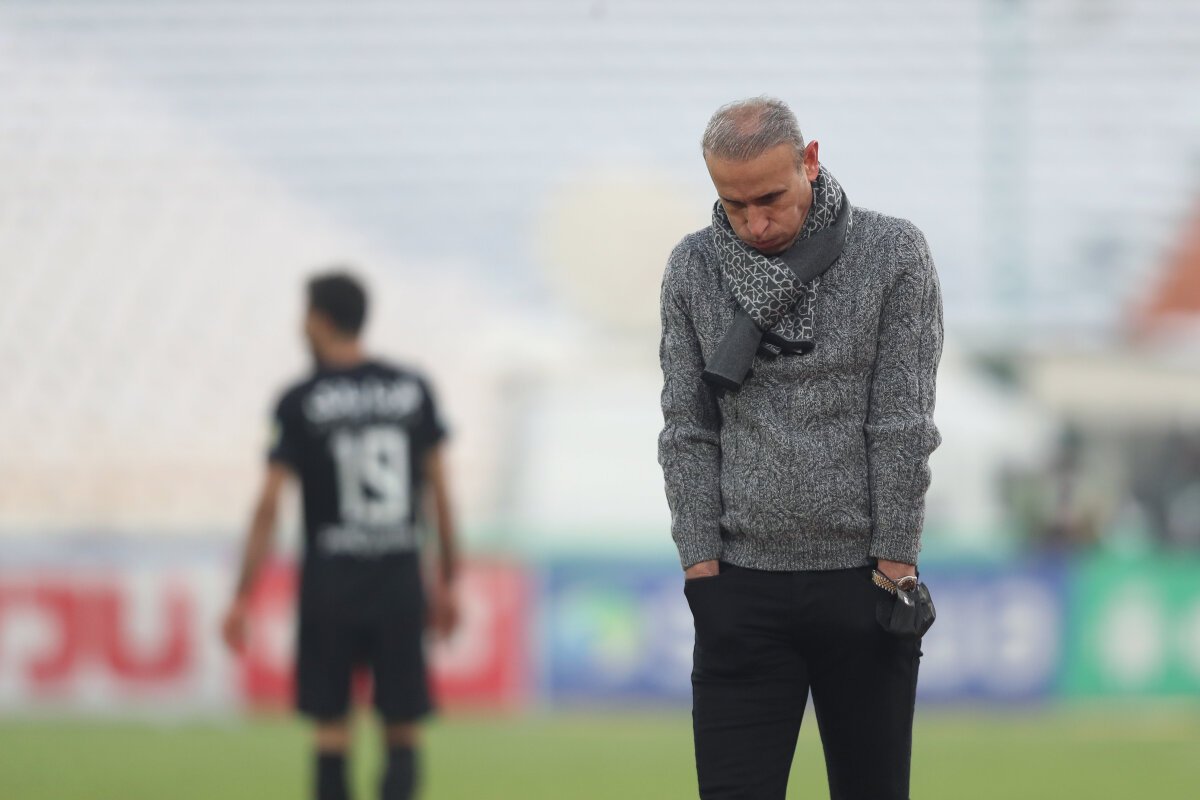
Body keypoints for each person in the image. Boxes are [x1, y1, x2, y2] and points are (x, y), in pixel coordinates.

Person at [658, 97, 943, 799]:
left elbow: (902, 422)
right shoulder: (692, 268)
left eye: (769, 199)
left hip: (863, 584)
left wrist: (894, 565)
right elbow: (687, 429)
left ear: (809, 161)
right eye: (734, 205)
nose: (755, 223)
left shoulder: (893, 253)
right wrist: (701, 572)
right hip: (739, 589)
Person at [222, 271, 460, 800]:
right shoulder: (412, 389)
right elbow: (440, 494)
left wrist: (242, 595)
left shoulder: (300, 399)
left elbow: (268, 505)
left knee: (331, 728)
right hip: (399, 582)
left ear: (320, 320)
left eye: (305, 314)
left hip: (329, 587)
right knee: (402, 728)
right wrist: (448, 581)